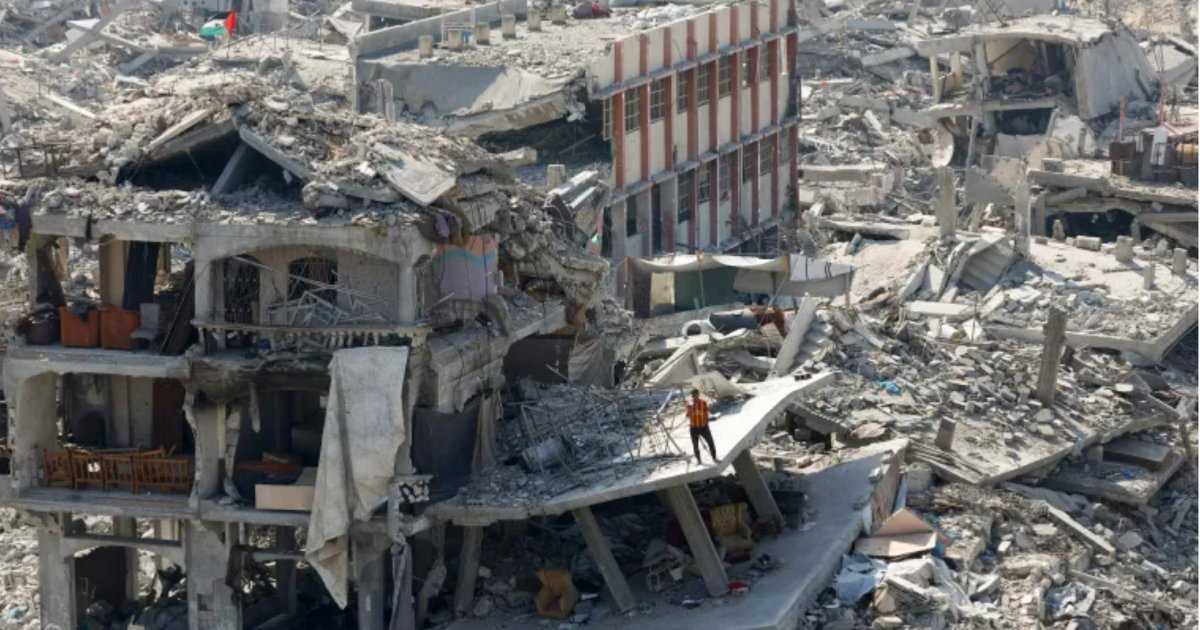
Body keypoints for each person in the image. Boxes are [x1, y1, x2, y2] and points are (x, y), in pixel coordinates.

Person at [686, 388, 717, 464]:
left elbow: (706, 414)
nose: (695, 397)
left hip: (703, 427)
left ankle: (714, 458)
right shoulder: (689, 404)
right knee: (695, 445)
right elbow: (688, 415)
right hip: (694, 428)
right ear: (692, 396)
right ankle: (699, 460)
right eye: (693, 395)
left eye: (696, 395)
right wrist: (689, 409)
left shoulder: (703, 403)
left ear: (698, 395)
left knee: (710, 442)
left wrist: (706, 423)